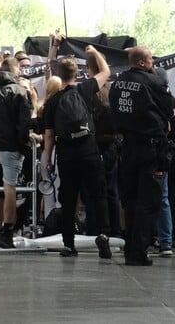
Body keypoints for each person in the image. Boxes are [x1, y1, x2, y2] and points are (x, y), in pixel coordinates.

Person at [42, 47, 113, 259]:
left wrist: (48, 160)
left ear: (58, 75)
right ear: (77, 73)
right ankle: (103, 235)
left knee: (69, 199)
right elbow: (106, 72)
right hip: (89, 150)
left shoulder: (52, 102)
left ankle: (69, 244)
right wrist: (94, 52)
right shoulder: (85, 89)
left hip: (67, 154)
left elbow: (48, 136)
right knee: (98, 195)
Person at [109, 46, 172, 266]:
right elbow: (169, 111)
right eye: (151, 62)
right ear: (143, 63)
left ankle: (130, 249)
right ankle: (139, 251)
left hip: (126, 148)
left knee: (130, 200)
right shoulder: (153, 83)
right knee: (149, 202)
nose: (153, 65)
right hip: (150, 149)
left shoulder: (117, 83)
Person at [0, 57, 33, 249]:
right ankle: (7, 232)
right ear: (16, 70)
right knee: (10, 189)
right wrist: (23, 145)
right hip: (10, 146)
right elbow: (24, 124)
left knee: (1, 185)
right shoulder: (19, 92)